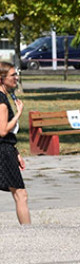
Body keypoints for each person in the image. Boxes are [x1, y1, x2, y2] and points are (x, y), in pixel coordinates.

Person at [0, 62, 29, 224]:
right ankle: (29, 232)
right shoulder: (1, 101)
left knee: (19, 194)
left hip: (7, 149)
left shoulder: (4, 97)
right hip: (3, 151)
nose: (16, 78)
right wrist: (18, 114)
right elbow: (3, 131)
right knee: (20, 194)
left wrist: (16, 152)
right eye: (12, 75)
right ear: (2, 79)